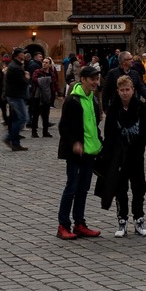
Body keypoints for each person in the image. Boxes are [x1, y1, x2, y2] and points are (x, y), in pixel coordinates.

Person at [95, 71, 146, 236]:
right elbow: (109, 134)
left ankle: (139, 219)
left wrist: (139, 151)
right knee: (120, 189)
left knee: (139, 187)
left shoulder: (140, 107)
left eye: (128, 89)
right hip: (118, 156)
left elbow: (144, 132)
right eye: (122, 90)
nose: (125, 92)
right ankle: (122, 220)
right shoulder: (113, 109)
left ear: (133, 90)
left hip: (136, 154)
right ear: (118, 91)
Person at [57, 62, 104, 239]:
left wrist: (100, 142)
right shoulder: (72, 100)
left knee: (83, 189)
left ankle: (79, 223)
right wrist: (74, 144)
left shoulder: (93, 98)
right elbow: (64, 128)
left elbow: (93, 125)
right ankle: (63, 225)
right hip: (76, 152)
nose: (95, 82)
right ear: (82, 79)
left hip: (91, 151)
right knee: (72, 188)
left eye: (97, 79)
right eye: (92, 79)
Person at [3, 55, 31, 152]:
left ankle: (15, 143)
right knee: (23, 118)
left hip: (15, 95)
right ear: (19, 56)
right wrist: (27, 77)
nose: (24, 55)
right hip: (16, 96)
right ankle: (9, 138)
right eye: (23, 54)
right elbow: (23, 82)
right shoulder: (15, 67)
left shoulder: (15, 66)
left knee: (16, 118)